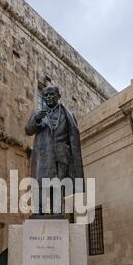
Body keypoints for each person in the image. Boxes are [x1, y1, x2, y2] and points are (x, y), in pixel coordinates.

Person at [25, 86, 84, 215]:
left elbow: (73, 137)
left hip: (61, 155)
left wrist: (74, 161)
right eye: (45, 95)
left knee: (58, 183)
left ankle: (56, 211)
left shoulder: (68, 114)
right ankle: (39, 211)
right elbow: (28, 130)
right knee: (41, 182)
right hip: (43, 155)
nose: (48, 97)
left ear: (58, 96)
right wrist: (36, 120)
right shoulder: (37, 113)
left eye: (51, 94)